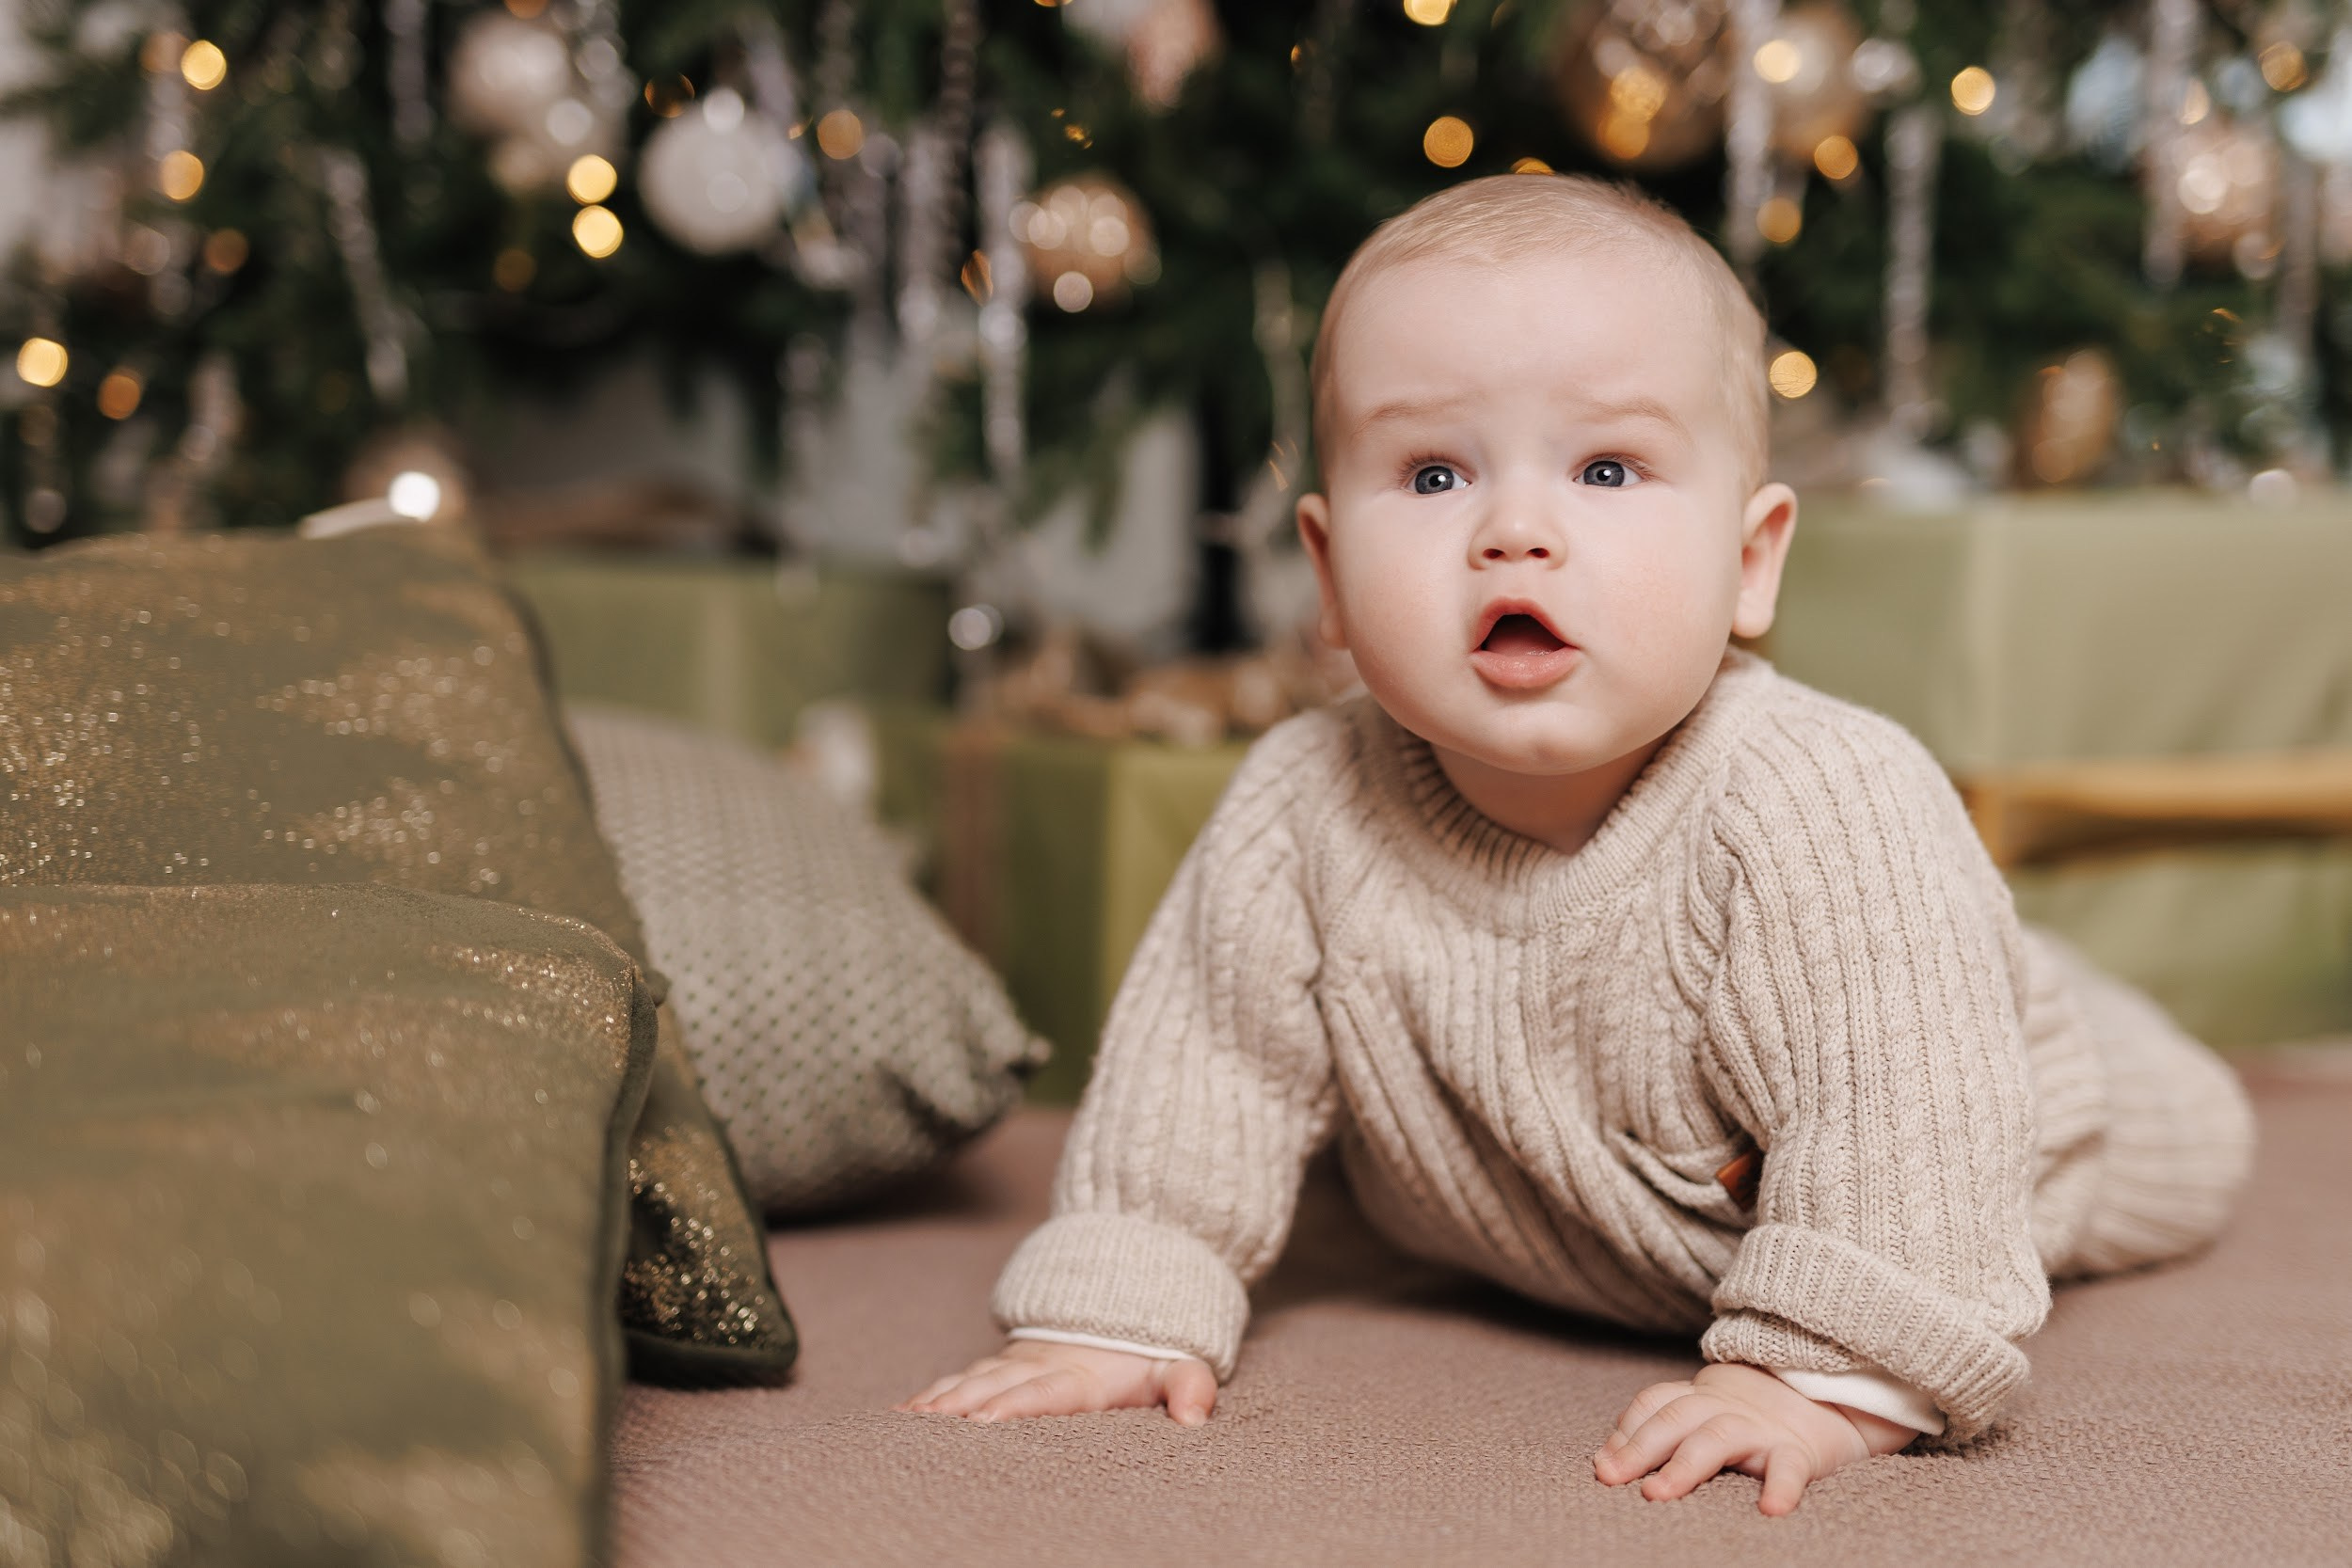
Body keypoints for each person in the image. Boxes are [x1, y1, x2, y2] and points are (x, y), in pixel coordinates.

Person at [894, 174, 2255, 1514]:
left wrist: (1820, 1382)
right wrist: (1121, 1309)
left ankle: (2045, 987)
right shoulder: (1299, 804)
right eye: (1433, 473)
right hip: (1597, 1184)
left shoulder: (1822, 805)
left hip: (2013, 1096)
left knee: (2124, 1107)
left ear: (1752, 562)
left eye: (1607, 467)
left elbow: (1918, 1139)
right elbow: (1205, 1075)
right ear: (1326, 578)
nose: (1516, 534)